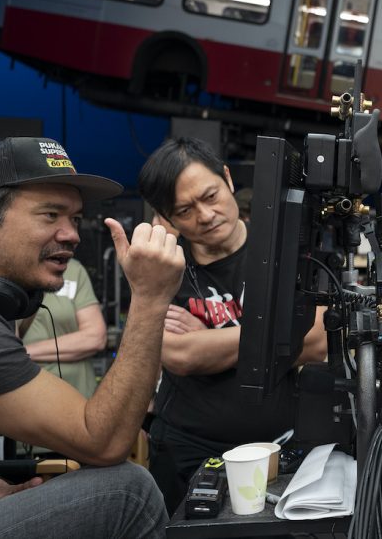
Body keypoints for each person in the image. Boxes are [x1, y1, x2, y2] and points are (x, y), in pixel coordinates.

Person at [0, 137, 184, 537]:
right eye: (51, 215)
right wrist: (151, 298)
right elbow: (102, 442)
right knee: (128, 492)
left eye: (75, 218)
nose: (72, 235)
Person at [137, 137, 328, 513]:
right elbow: (178, 355)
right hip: (187, 449)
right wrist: (280, 334)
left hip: (279, 446)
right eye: (185, 210)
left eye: (210, 196)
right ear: (166, 217)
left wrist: (208, 339)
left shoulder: (285, 250)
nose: (205, 216)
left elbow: (318, 338)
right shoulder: (164, 265)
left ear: (226, 178)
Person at [20, 258, 106, 400]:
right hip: (30, 396)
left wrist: (23, 352)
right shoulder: (10, 270)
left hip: (79, 393)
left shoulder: (73, 269)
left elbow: (95, 338)